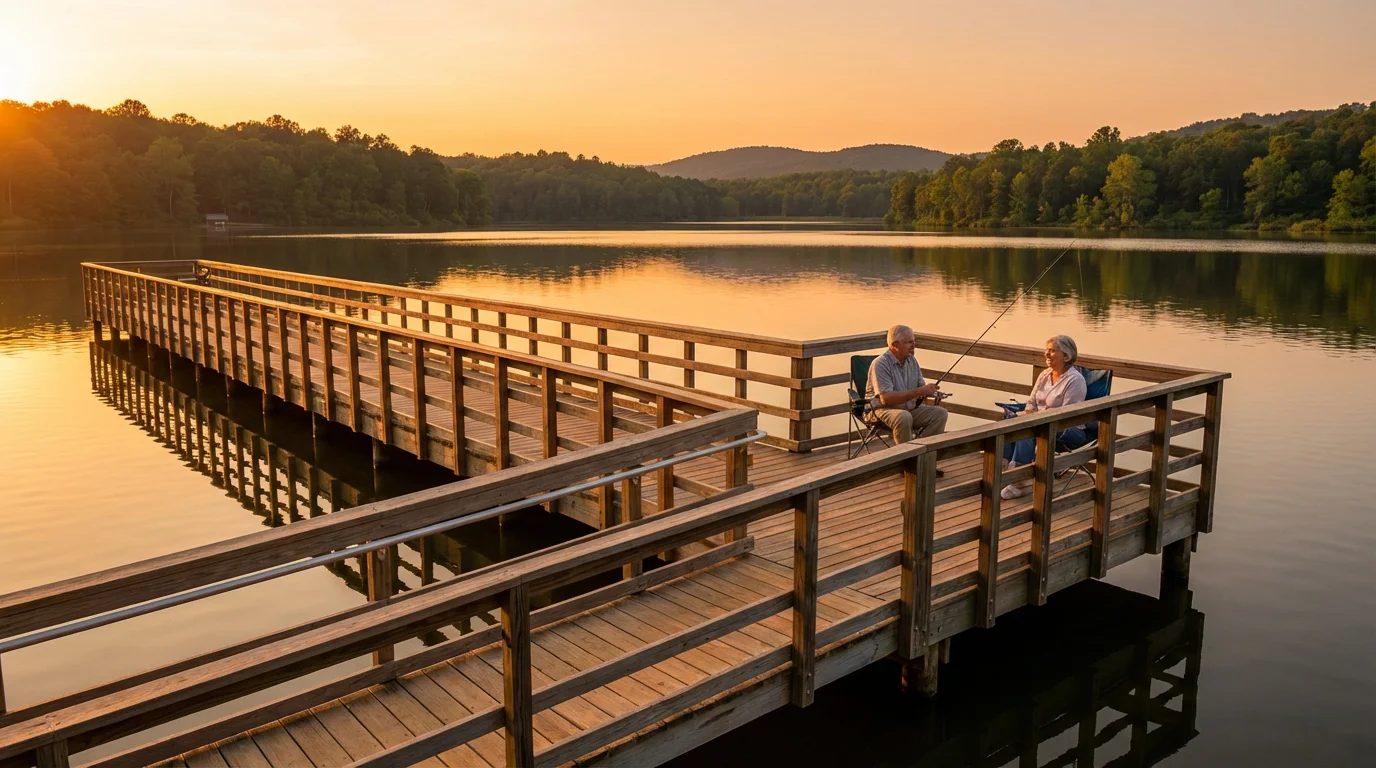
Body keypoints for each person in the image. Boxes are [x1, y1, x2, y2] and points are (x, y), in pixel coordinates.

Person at [1001, 335, 1090, 499]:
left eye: (1052, 351)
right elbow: (1032, 402)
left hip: (1067, 428)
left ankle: (1018, 481)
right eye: (1046, 350)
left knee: (1030, 428)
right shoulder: (1044, 374)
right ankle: (1007, 470)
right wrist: (1026, 414)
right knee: (1011, 420)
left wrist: (1035, 418)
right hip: (1040, 421)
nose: (1047, 354)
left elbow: (1067, 415)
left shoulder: (1075, 380)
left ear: (1066, 355)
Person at [866, 324, 949, 453]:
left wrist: (931, 391)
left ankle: (924, 455)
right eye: (909, 342)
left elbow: (920, 387)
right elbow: (885, 399)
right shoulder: (880, 364)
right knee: (904, 417)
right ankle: (908, 461)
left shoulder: (912, 361)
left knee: (940, 413)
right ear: (895, 345)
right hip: (881, 411)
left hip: (909, 408)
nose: (914, 345)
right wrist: (919, 392)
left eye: (914, 341)